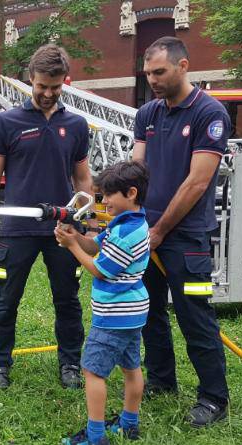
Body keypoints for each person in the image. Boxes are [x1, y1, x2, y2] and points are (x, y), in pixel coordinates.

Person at [0, 44, 98, 389]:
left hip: (62, 229)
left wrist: (88, 218)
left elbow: (83, 177)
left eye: (55, 87)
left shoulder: (75, 125)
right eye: (41, 86)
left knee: (67, 300)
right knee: (5, 301)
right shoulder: (7, 122)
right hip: (16, 230)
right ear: (30, 80)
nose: (47, 93)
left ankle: (70, 363)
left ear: (64, 83)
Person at [132, 36, 230, 427]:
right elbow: (136, 172)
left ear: (183, 65)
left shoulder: (209, 113)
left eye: (160, 72)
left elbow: (196, 183)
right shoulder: (147, 114)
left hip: (186, 240)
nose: (153, 80)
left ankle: (213, 398)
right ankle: (161, 381)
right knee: (149, 312)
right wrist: (122, 212)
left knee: (195, 317)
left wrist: (158, 230)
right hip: (146, 234)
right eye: (148, 74)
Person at [55, 161, 150, 445]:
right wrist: (77, 238)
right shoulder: (130, 222)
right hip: (132, 313)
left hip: (114, 315)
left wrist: (72, 248)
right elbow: (96, 247)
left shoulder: (125, 233)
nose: (104, 201)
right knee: (131, 368)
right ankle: (128, 424)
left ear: (131, 193)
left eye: (109, 195)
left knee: (93, 372)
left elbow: (101, 269)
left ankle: (95, 437)